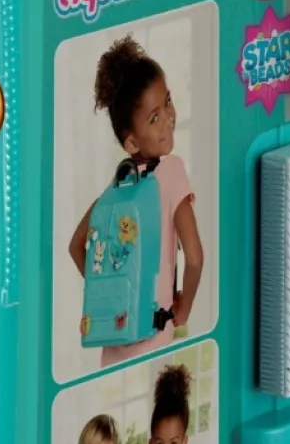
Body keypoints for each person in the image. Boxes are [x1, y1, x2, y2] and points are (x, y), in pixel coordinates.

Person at [70, 35, 205, 363]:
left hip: (110, 351)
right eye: (154, 118)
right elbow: (195, 257)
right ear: (131, 142)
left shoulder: (118, 185)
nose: (169, 117)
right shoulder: (171, 171)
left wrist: (114, 294)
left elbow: (76, 246)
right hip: (153, 347)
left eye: (168, 102)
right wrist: (183, 309)